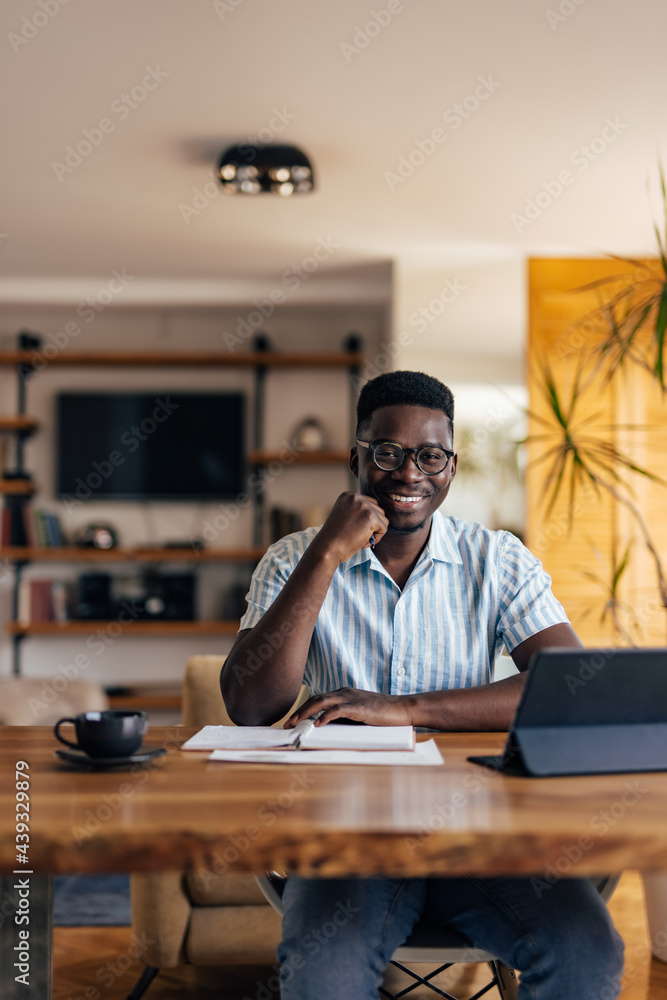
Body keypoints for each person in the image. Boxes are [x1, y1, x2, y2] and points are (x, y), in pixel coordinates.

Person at [221, 370, 624, 1000]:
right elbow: (250, 707)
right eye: (388, 453)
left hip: (482, 840)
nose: (411, 473)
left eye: (431, 455)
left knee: (587, 952)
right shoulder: (291, 557)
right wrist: (326, 552)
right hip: (345, 844)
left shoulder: (498, 560)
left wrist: (398, 710)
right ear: (357, 459)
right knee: (322, 977)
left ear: (452, 465)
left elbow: (566, 688)